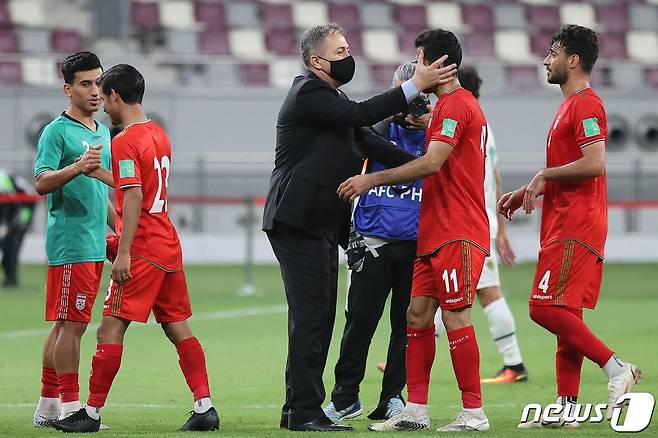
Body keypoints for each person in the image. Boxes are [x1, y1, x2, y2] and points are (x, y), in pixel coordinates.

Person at [262, 23, 457, 432]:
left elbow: (373, 143)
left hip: (316, 225)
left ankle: (298, 408)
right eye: (341, 49)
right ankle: (305, 412)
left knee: (316, 319)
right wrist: (412, 85)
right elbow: (363, 115)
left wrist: (434, 166)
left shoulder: (332, 98)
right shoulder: (308, 93)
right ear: (317, 60)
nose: (349, 55)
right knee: (313, 318)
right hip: (297, 221)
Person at [53, 64, 219, 433]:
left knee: (109, 329)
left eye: (104, 96)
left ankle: (91, 414)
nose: (103, 105)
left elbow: (134, 194)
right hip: (167, 243)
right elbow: (139, 183)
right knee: (178, 326)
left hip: (142, 247)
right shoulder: (158, 133)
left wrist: (123, 251)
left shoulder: (124, 140)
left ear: (115, 96)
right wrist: (99, 174)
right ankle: (205, 406)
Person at [339, 29, 491, 432]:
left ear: (438, 64)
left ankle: (474, 412)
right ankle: (415, 409)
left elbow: (432, 163)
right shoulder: (444, 108)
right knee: (417, 315)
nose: (417, 68)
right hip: (433, 229)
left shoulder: (457, 105)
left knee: (456, 318)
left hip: (457, 228)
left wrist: (372, 180)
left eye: (420, 60)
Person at [498, 25, 641, 428]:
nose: (545, 59)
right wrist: (530, 186)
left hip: (575, 226)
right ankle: (565, 410)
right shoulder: (568, 106)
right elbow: (574, 168)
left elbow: (595, 163)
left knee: (542, 308)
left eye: (553, 52)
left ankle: (616, 367)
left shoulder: (587, 105)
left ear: (572, 60)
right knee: (567, 321)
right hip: (566, 222)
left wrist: (543, 174)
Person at [323, 62, 429, 424]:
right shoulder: (373, 130)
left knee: (406, 327)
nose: (413, 103)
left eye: (421, 96)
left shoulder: (439, 135)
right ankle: (344, 398)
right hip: (373, 241)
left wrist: (427, 122)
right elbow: (353, 140)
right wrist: (391, 116)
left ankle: (392, 398)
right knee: (359, 324)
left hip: (418, 244)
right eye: (407, 94)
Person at [31, 51, 112, 428]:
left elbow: (101, 191)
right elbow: (40, 181)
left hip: (94, 240)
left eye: (98, 81)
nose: (96, 90)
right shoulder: (56, 131)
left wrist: (125, 227)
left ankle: (48, 407)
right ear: (68, 89)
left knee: (66, 324)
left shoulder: (102, 130)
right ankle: (69, 407)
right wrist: (77, 166)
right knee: (73, 325)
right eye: (86, 83)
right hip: (70, 240)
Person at [433, 66, 528, 384]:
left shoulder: (464, 120)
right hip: (479, 221)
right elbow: (498, 180)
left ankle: (514, 364)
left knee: (486, 294)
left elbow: (493, 181)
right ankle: (407, 357)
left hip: (470, 221)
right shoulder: (483, 125)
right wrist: (500, 231)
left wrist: (498, 230)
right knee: (441, 292)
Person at [0, 170, 36, 288]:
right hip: (14, 210)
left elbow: (14, 206)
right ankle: (9, 278)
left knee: (12, 246)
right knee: (6, 246)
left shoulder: (5, 183)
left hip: (24, 210)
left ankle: (12, 279)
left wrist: (10, 226)